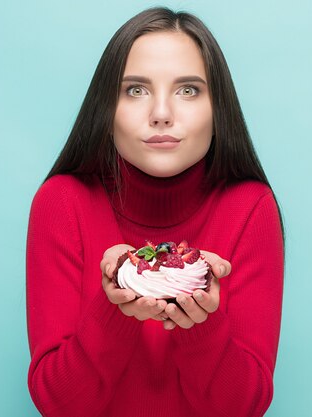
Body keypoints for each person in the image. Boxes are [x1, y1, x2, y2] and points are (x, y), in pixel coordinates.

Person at [26, 6, 285, 417]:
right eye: (135, 90)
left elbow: (245, 408)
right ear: (105, 111)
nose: (161, 113)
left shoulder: (251, 208)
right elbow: (57, 405)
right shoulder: (61, 202)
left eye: (188, 90)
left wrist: (201, 324)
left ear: (219, 112)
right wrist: (114, 306)